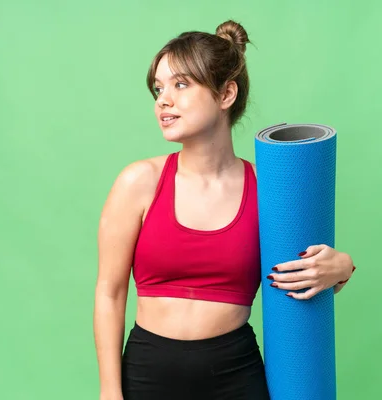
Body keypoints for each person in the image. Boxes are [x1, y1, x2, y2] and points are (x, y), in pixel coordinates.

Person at [93, 20, 356, 400]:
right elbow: (109, 292)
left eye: (181, 84)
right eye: (158, 88)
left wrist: (343, 266)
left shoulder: (269, 191)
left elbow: (307, 267)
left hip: (236, 377)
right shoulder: (139, 182)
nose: (163, 100)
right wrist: (109, 391)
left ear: (226, 94)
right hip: (146, 376)